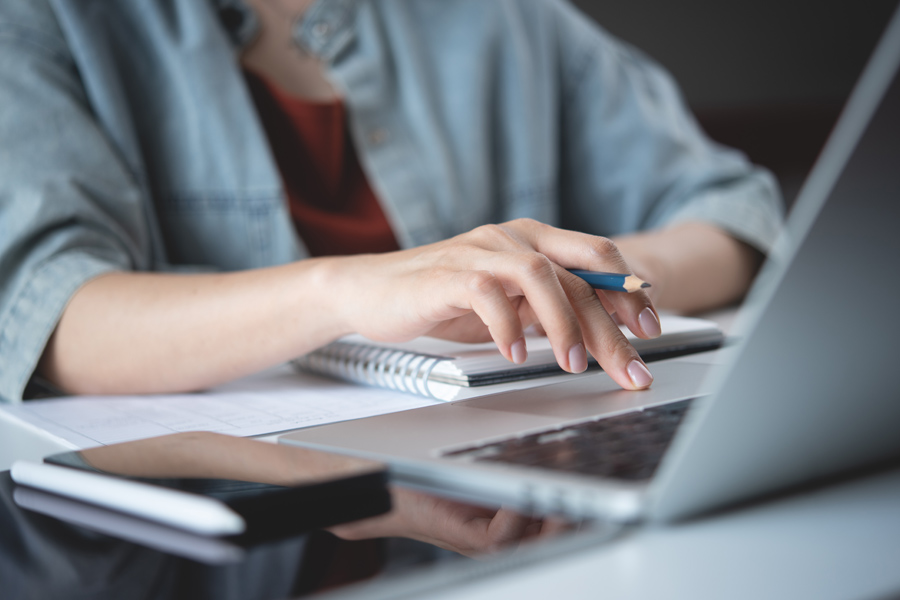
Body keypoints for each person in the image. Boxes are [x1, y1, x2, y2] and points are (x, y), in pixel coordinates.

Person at [0, 0, 782, 554]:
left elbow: (734, 213)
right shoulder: (46, 17)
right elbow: (52, 310)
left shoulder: (509, 16)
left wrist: (589, 286)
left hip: (520, 483)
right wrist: (349, 289)